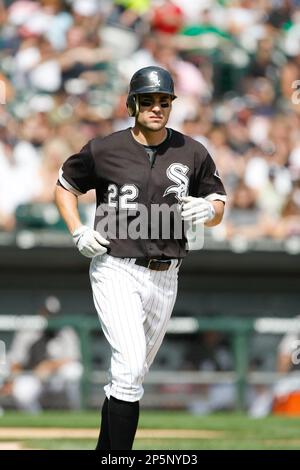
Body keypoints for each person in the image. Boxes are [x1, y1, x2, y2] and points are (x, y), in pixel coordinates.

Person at [54, 66, 226, 450]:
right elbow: (65, 187)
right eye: (147, 100)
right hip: (117, 267)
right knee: (129, 368)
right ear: (132, 104)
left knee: (130, 377)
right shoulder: (105, 148)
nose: (156, 108)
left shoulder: (192, 150)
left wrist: (210, 210)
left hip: (167, 276)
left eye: (163, 101)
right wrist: (77, 229)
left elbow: (218, 203)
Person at [1, 296, 83, 413]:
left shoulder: (65, 330)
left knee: (74, 371)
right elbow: (16, 360)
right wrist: (11, 380)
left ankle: (78, 413)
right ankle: (36, 421)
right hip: (34, 375)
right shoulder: (28, 330)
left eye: (53, 314)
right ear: (41, 312)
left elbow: (74, 357)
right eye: (47, 313)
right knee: (22, 392)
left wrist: (50, 365)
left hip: (56, 377)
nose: (50, 317)